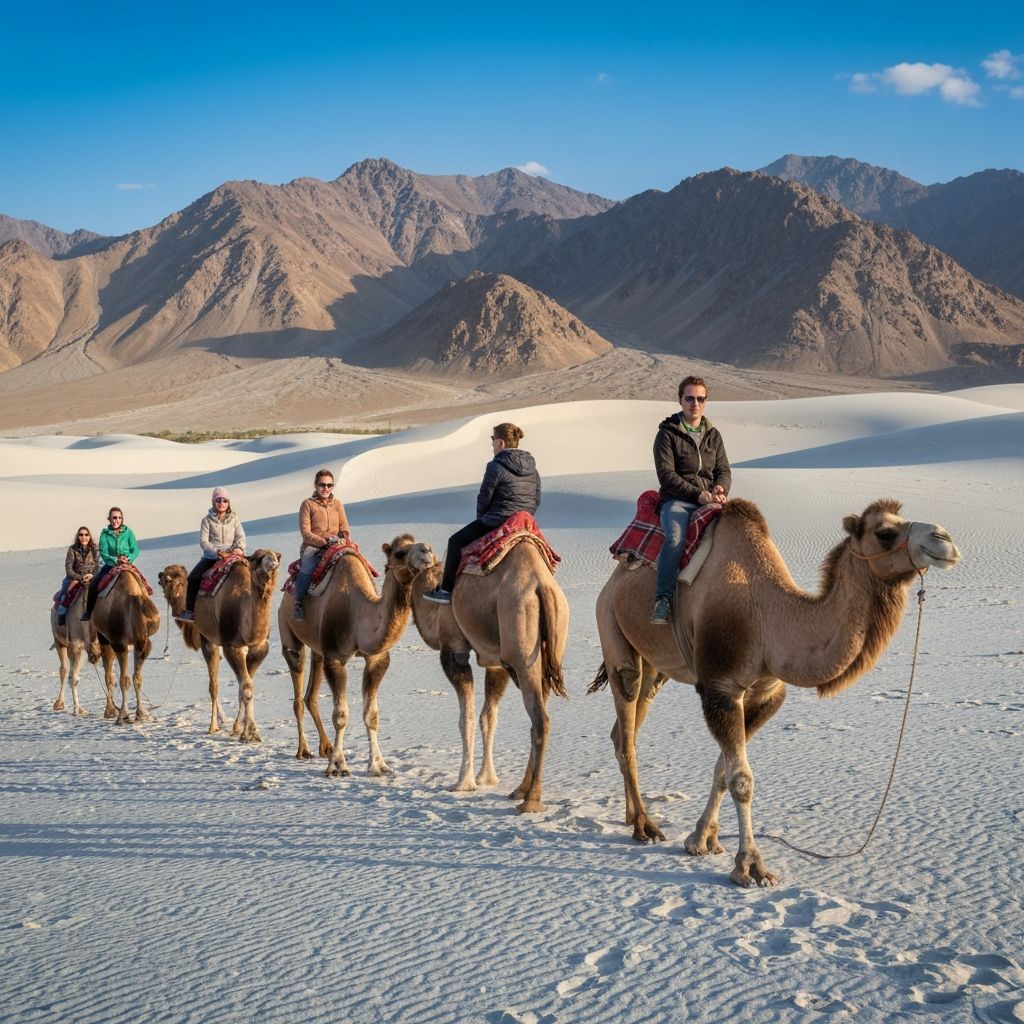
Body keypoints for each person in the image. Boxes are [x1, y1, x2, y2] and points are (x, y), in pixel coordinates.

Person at [423, 422, 541, 604]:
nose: (492, 445)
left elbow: (484, 498)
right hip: (524, 524)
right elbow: (536, 499)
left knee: (454, 542)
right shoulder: (532, 467)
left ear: (501, 443)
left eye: (493, 440)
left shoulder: (495, 466)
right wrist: (521, 516)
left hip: (497, 522)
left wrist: (483, 522)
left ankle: (445, 591)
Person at [651, 376, 731, 625]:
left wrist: (721, 487)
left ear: (705, 402)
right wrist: (698, 494)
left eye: (700, 399)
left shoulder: (713, 435)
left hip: (709, 499)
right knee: (675, 539)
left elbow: (724, 470)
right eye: (689, 398)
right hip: (678, 501)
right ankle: (662, 599)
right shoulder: (667, 434)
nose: (695, 403)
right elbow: (667, 475)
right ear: (680, 400)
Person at [174, 487, 247, 622]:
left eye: (224, 500)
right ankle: (190, 611)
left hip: (232, 555)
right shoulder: (207, 520)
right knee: (193, 579)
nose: (221, 503)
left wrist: (240, 549)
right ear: (213, 502)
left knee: (251, 575)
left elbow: (240, 536)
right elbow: (204, 542)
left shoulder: (234, 519)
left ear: (228, 503)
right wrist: (217, 552)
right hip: (212, 557)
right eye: (218, 500)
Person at [292, 469, 350, 621]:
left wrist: (343, 536)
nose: (326, 488)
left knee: (357, 562)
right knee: (308, 565)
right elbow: (306, 533)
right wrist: (324, 542)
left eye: (329, 485)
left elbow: (344, 526)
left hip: (337, 544)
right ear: (316, 485)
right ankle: (299, 602)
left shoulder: (337, 504)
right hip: (314, 546)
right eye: (322, 485)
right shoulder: (308, 504)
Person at [81, 507, 140, 621]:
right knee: (94, 584)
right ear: (109, 519)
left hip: (127, 564)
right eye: (113, 517)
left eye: (118, 517)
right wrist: (116, 560)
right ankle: (89, 612)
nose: (116, 520)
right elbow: (104, 551)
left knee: (143, 585)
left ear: (122, 519)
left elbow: (135, 550)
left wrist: (128, 558)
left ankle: (144, 611)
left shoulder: (128, 532)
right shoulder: (105, 534)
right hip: (111, 565)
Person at [56, 526, 99, 626]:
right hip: (75, 578)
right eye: (81, 535)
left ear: (89, 536)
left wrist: (92, 575)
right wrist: (80, 578)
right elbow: (69, 569)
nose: (84, 537)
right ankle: (62, 614)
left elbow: (97, 565)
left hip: (91, 577)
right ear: (78, 536)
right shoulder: (73, 549)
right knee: (67, 593)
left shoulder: (94, 548)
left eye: (86, 535)